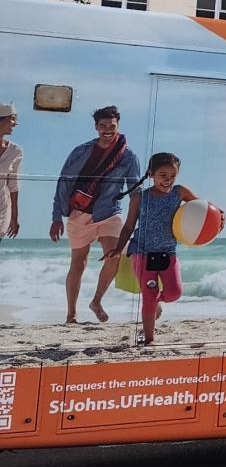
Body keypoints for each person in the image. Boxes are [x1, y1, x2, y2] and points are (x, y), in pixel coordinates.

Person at [107, 153, 217, 346]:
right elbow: (128, 226)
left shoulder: (179, 192)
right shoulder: (140, 198)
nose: (168, 181)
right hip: (143, 253)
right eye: (163, 175)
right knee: (148, 297)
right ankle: (149, 339)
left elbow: (204, 209)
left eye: (172, 176)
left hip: (168, 252)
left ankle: (156, 301)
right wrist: (118, 248)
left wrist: (220, 216)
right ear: (151, 174)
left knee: (175, 293)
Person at [51, 105, 141, 323]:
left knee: (113, 256)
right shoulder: (81, 151)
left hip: (109, 212)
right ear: (96, 127)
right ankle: (71, 314)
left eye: (112, 126)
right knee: (78, 263)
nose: (107, 130)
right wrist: (56, 217)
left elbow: (135, 192)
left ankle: (96, 301)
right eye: (103, 126)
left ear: (118, 125)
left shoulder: (128, 157)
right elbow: (63, 183)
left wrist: (135, 221)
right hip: (78, 214)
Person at [0, 103, 20, 239]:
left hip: (1, 210)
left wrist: (14, 217)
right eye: (11, 119)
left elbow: (13, 186)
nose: (15, 124)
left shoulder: (15, 151)